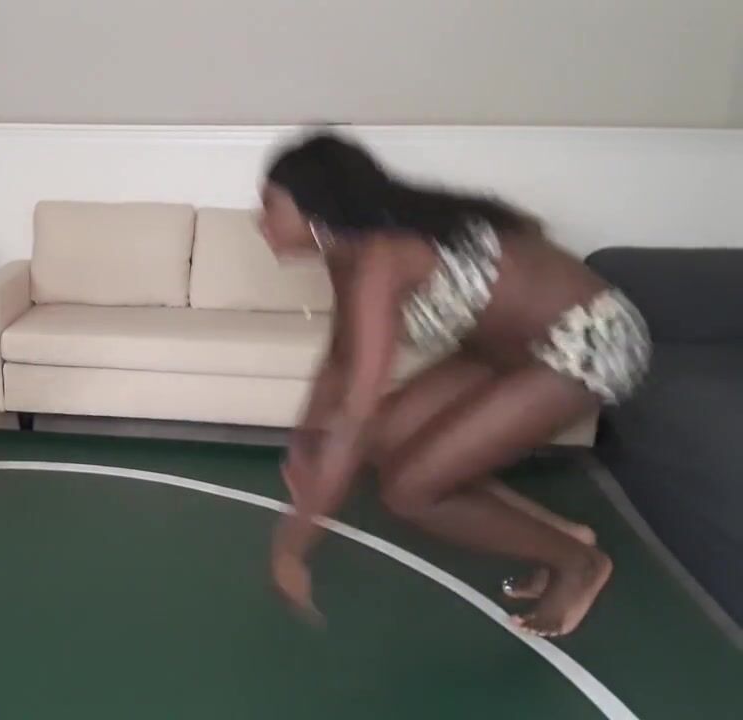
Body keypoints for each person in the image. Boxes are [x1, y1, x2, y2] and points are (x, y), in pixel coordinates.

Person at [258, 132, 650, 637]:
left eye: (271, 205)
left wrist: (293, 544)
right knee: (386, 442)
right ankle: (557, 535)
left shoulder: (382, 257)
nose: (260, 220)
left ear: (315, 211)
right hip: (506, 351)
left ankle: (580, 564)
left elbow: (356, 411)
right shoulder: (344, 251)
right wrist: (308, 438)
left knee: (410, 491)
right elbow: (341, 357)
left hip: (589, 342)